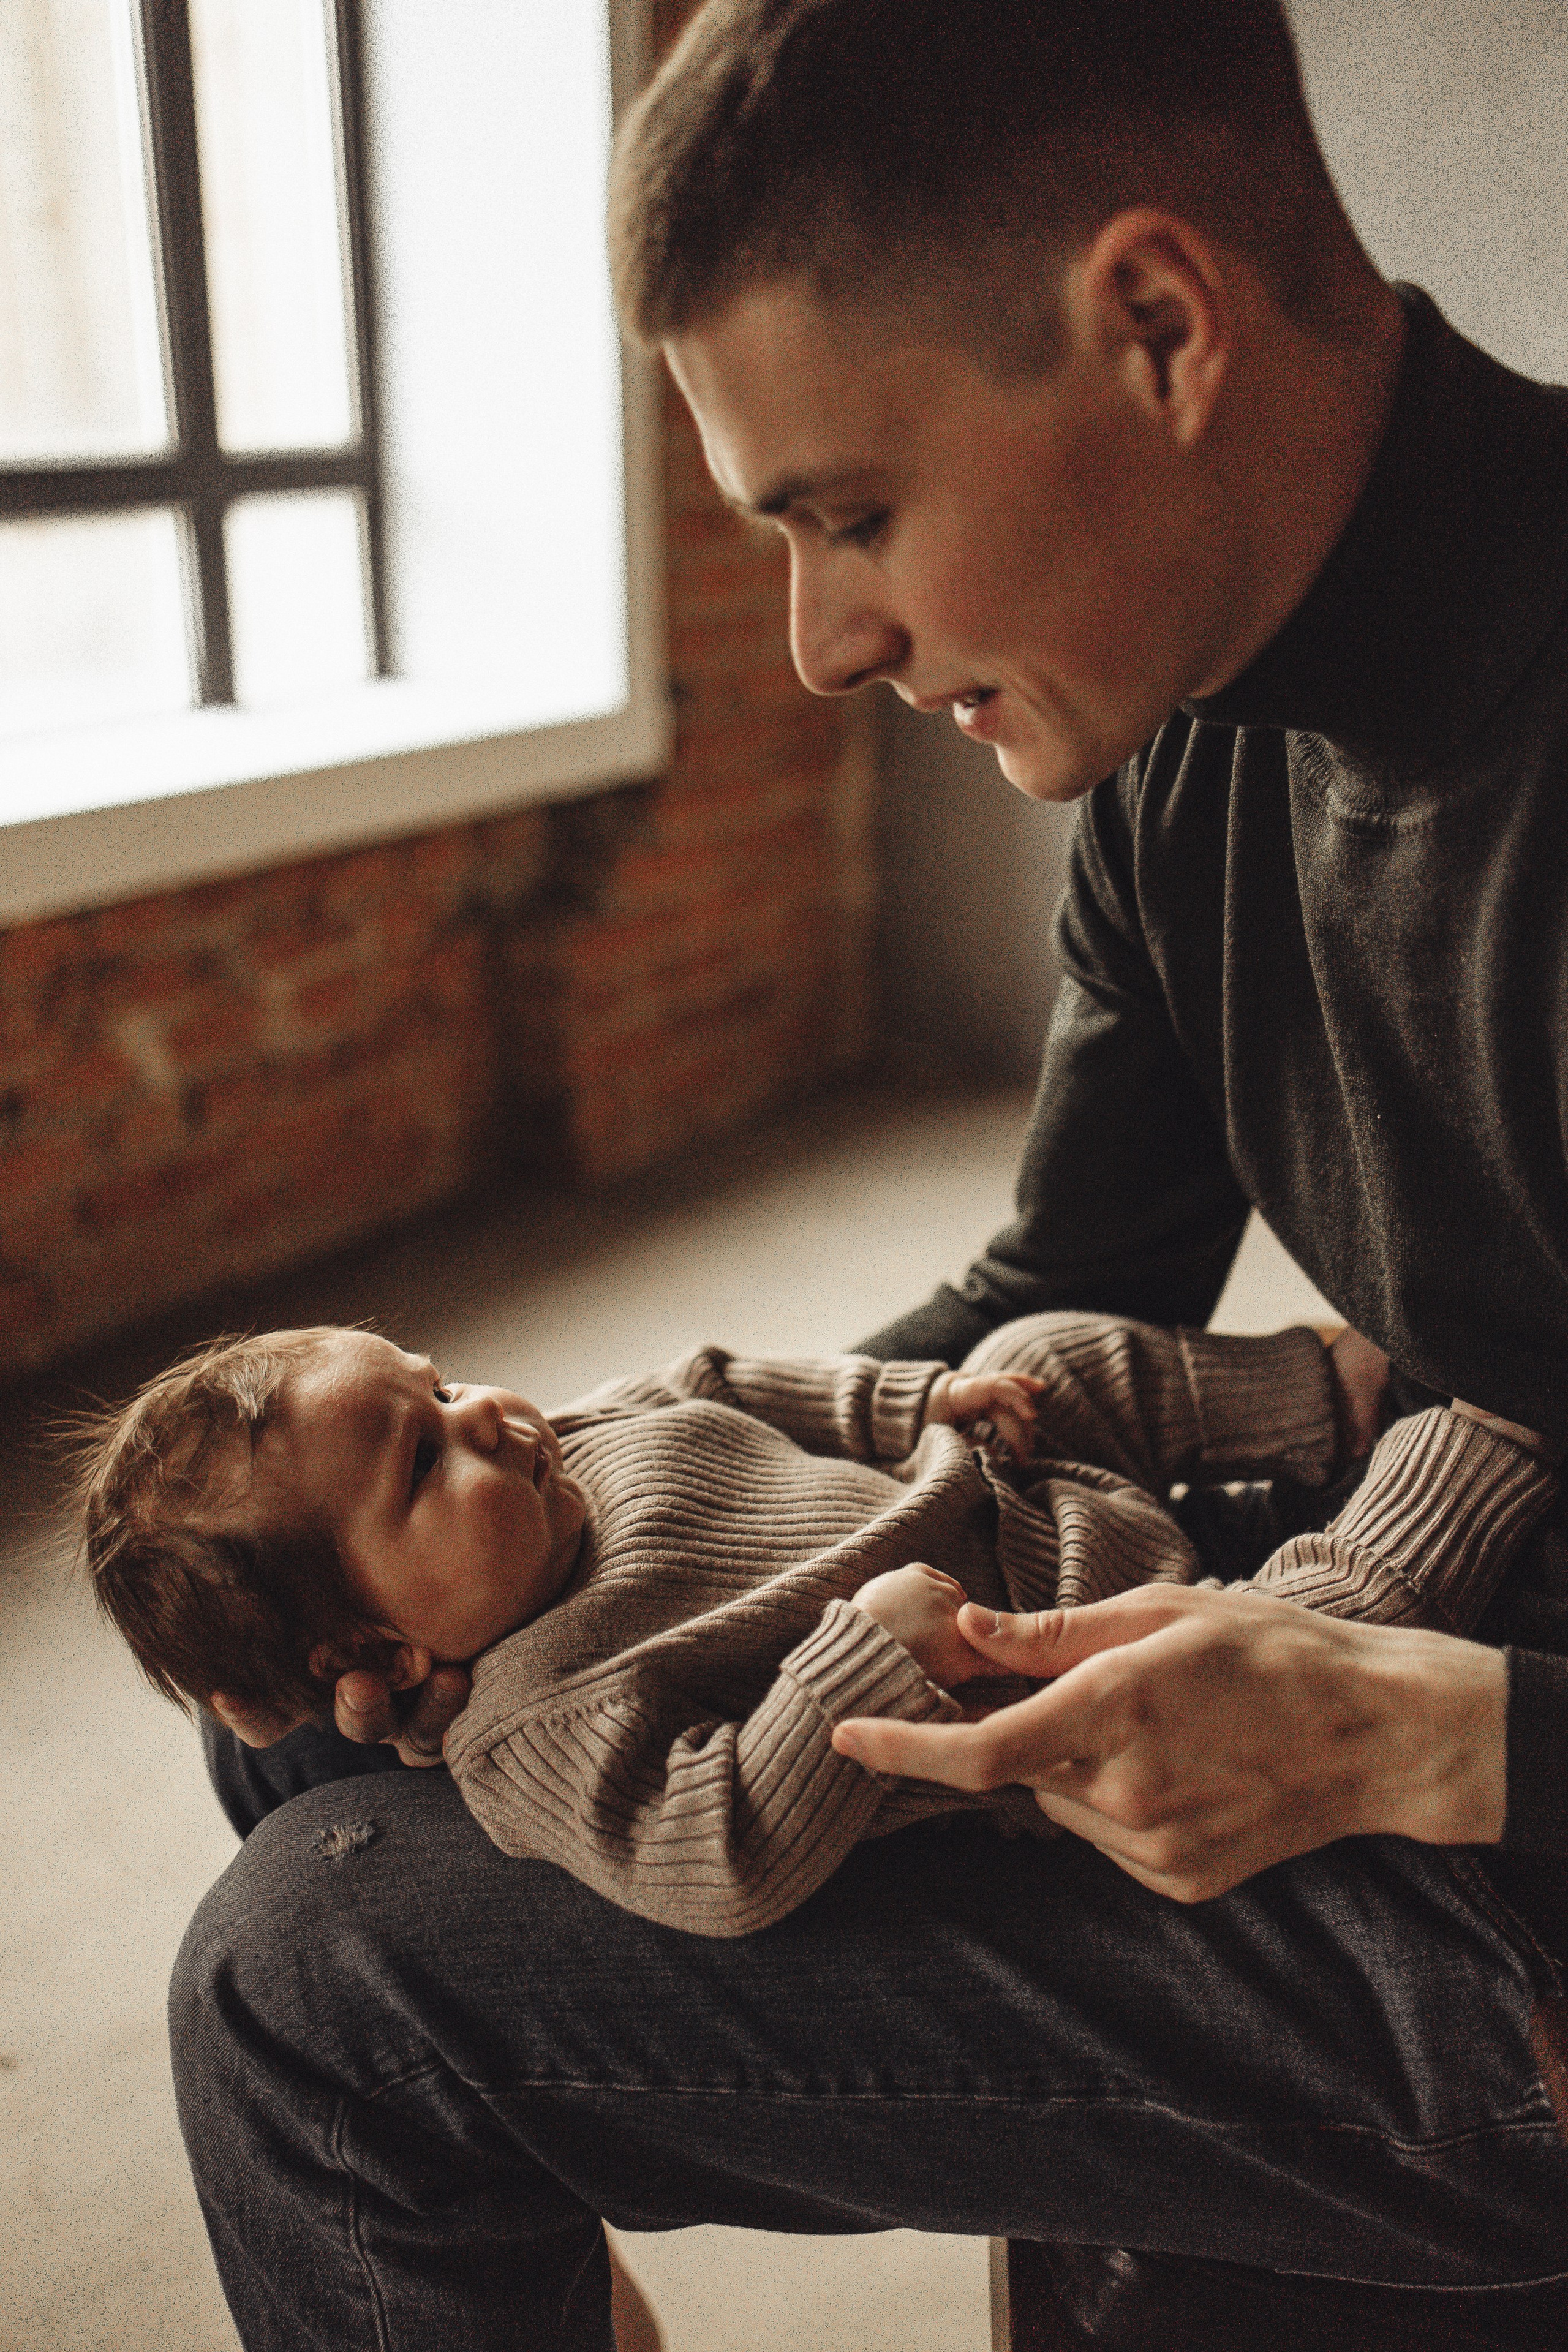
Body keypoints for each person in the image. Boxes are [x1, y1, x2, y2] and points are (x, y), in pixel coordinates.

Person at [172, 4, 1568, 2343]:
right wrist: (628, 1486)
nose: (821, 648)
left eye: (849, 516)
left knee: (315, 1984)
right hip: (1386, 1572)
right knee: (311, 1700)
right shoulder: (1177, 746)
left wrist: (1425, 1726)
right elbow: (1060, 1286)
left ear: (1156, 326)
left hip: (1511, 1828)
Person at [88, 1313, 1538, 1934]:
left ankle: (1331, 1392)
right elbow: (718, 1856)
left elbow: (723, 1378)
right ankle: (1485, 1438)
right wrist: (867, 1657)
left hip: (993, 1491)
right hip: (1074, 1668)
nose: (488, 1415)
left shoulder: (558, 1455)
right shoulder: (542, 1722)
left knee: (1034, 1358)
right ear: (387, 1659)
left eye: (441, 1380)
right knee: (1313, 1620)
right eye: (424, 1462)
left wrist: (907, 1406)